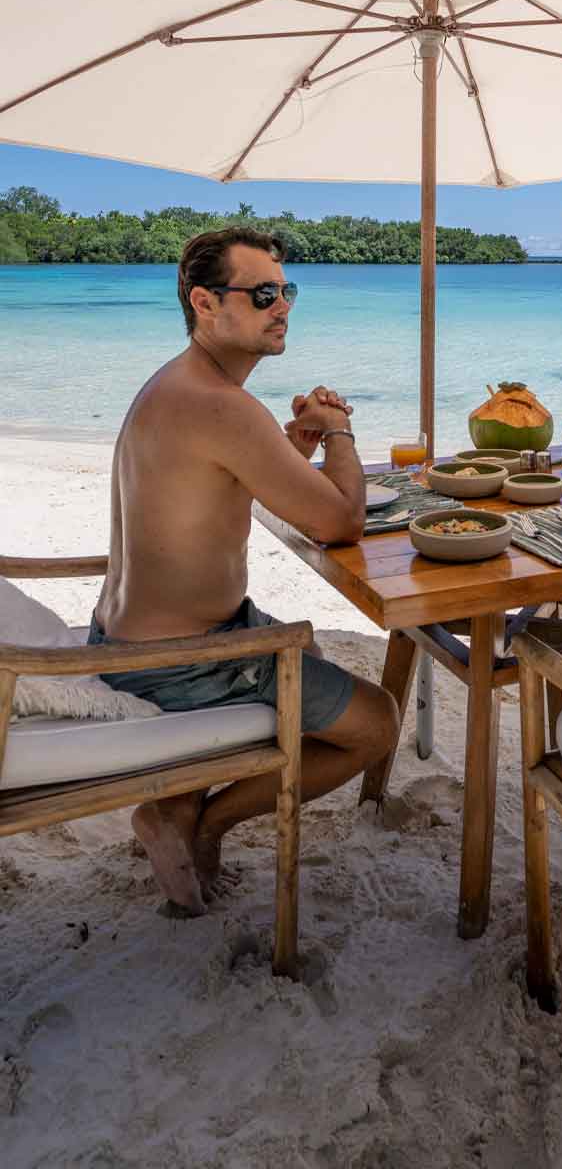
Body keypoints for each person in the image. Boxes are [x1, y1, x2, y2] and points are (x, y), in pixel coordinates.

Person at [90, 225, 400, 916]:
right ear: (204, 303)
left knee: (310, 645)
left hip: (125, 638)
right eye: (262, 294)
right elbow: (341, 523)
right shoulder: (225, 406)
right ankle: (201, 820)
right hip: (184, 661)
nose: (281, 306)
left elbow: (218, 485)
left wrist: (292, 445)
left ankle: (177, 798)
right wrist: (342, 427)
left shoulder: (177, 383)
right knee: (377, 722)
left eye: (285, 290)